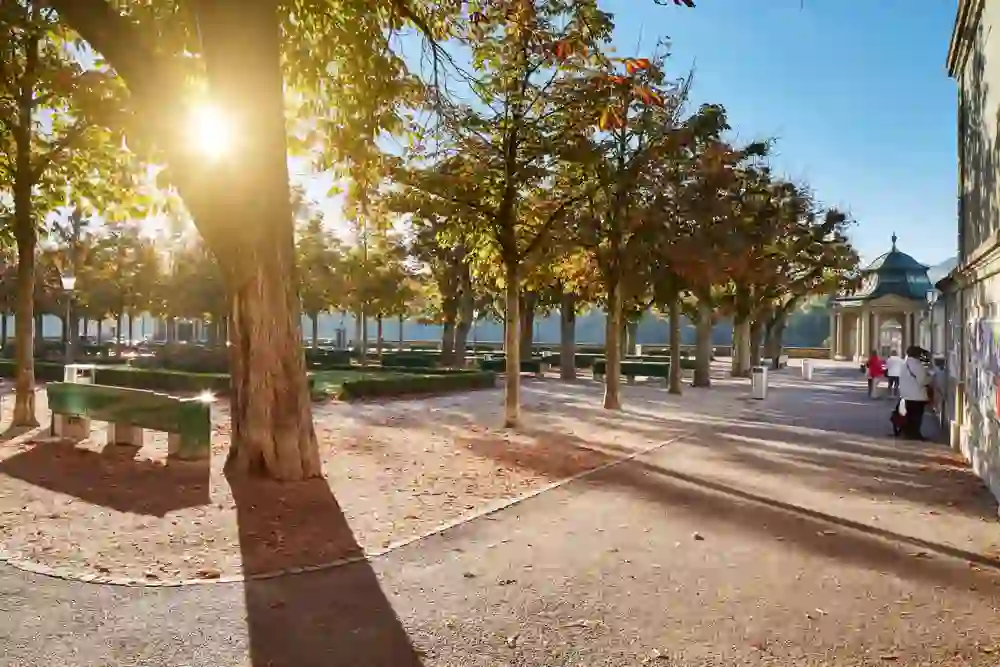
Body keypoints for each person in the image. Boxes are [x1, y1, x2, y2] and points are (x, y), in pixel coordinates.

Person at [896, 345, 931, 440]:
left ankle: (908, 433)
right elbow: (923, 381)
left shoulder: (904, 364)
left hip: (906, 395)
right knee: (916, 417)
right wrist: (930, 377)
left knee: (909, 415)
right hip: (917, 396)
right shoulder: (917, 365)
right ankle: (915, 435)